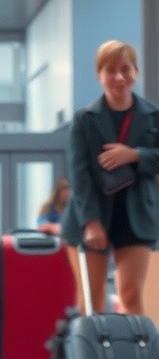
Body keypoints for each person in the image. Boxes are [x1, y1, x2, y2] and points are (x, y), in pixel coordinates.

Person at [61, 41, 159, 315]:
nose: (119, 77)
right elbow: (78, 173)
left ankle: (135, 358)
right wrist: (91, 223)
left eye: (125, 69)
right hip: (91, 214)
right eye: (110, 70)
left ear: (136, 72)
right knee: (92, 300)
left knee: (130, 294)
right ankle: (92, 357)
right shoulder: (85, 119)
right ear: (99, 74)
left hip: (136, 215)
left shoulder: (153, 116)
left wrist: (135, 155)